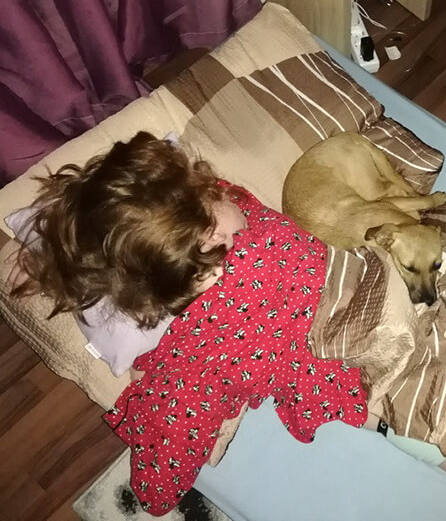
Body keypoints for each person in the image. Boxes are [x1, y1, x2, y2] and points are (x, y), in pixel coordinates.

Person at [11, 131, 368, 515]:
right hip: (321, 350)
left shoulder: (221, 205)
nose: (223, 246)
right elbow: (163, 465)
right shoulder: (188, 345)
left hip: (344, 305)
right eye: (207, 254)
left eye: (214, 212)